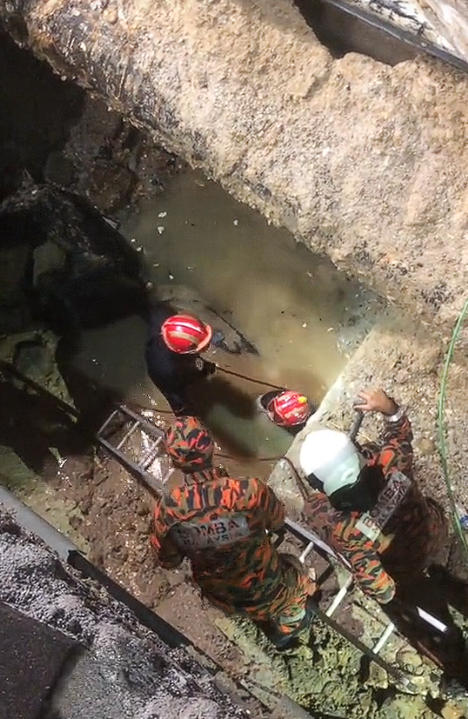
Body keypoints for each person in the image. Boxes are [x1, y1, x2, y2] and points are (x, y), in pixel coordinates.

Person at [150, 416, 316, 648]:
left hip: (222, 598)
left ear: (174, 462)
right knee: (296, 570)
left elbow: (169, 561)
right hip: (268, 592)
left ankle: (266, 622)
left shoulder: (168, 511)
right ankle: (288, 628)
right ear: (211, 447)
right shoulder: (248, 491)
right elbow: (278, 521)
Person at [299, 388, 447, 605]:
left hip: (407, 568)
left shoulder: (341, 527)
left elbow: (383, 592)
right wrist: (388, 408)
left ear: (319, 484)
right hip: (435, 531)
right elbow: (399, 432)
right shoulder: (392, 464)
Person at [145, 303, 216, 414]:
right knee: (182, 404)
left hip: (158, 348)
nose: (208, 346)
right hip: (166, 380)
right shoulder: (168, 369)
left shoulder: (164, 315)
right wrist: (203, 372)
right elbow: (183, 381)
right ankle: (182, 412)